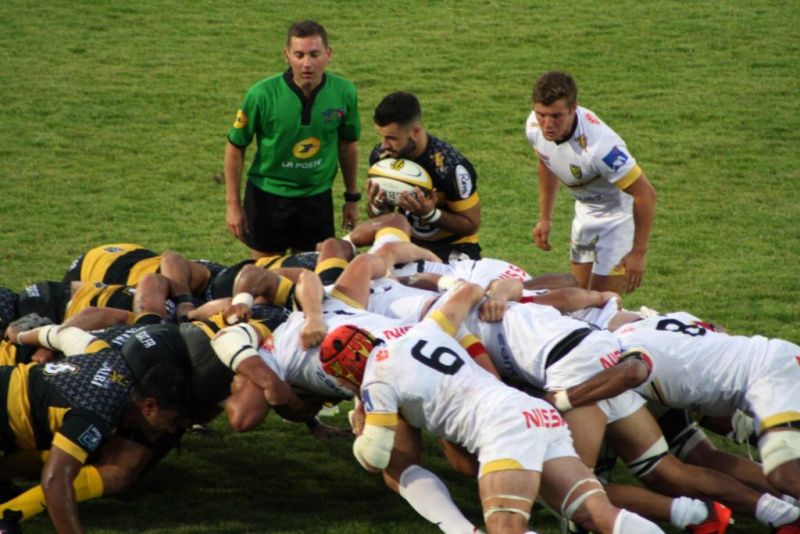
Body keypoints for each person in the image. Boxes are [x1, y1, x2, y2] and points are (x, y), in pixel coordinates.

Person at [320, 281, 663, 533]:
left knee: (505, 528)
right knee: (597, 515)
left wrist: (361, 431)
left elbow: (376, 457)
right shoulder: (421, 330)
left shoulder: (376, 380)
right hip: (533, 412)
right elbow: (468, 290)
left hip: (501, 428)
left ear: (346, 373)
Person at [224, 19, 361, 258]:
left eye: (314, 54)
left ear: (328, 54)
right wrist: (233, 204)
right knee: (266, 274)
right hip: (268, 197)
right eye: (299, 55)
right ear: (287, 55)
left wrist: (352, 198)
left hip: (316, 198)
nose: (307, 63)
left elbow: (347, 143)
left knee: (313, 272)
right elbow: (236, 146)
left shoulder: (344, 93)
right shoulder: (261, 95)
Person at [526, 71, 656, 294]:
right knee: (579, 296)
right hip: (585, 216)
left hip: (617, 219)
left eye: (556, 116)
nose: (547, 124)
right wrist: (545, 218)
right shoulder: (533, 127)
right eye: (542, 114)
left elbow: (645, 194)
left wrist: (638, 252)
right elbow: (546, 162)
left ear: (573, 108)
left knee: (601, 302)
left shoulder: (601, 148)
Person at [366, 91, 482, 262]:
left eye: (392, 138)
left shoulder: (451, 167)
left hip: (454, 247)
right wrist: (376, 207)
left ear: (415, 131)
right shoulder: (383, 160)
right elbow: (386, 219)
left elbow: (471, 224)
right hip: (407, 243)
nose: (384, 146)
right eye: (382, 137)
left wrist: (429, 214)